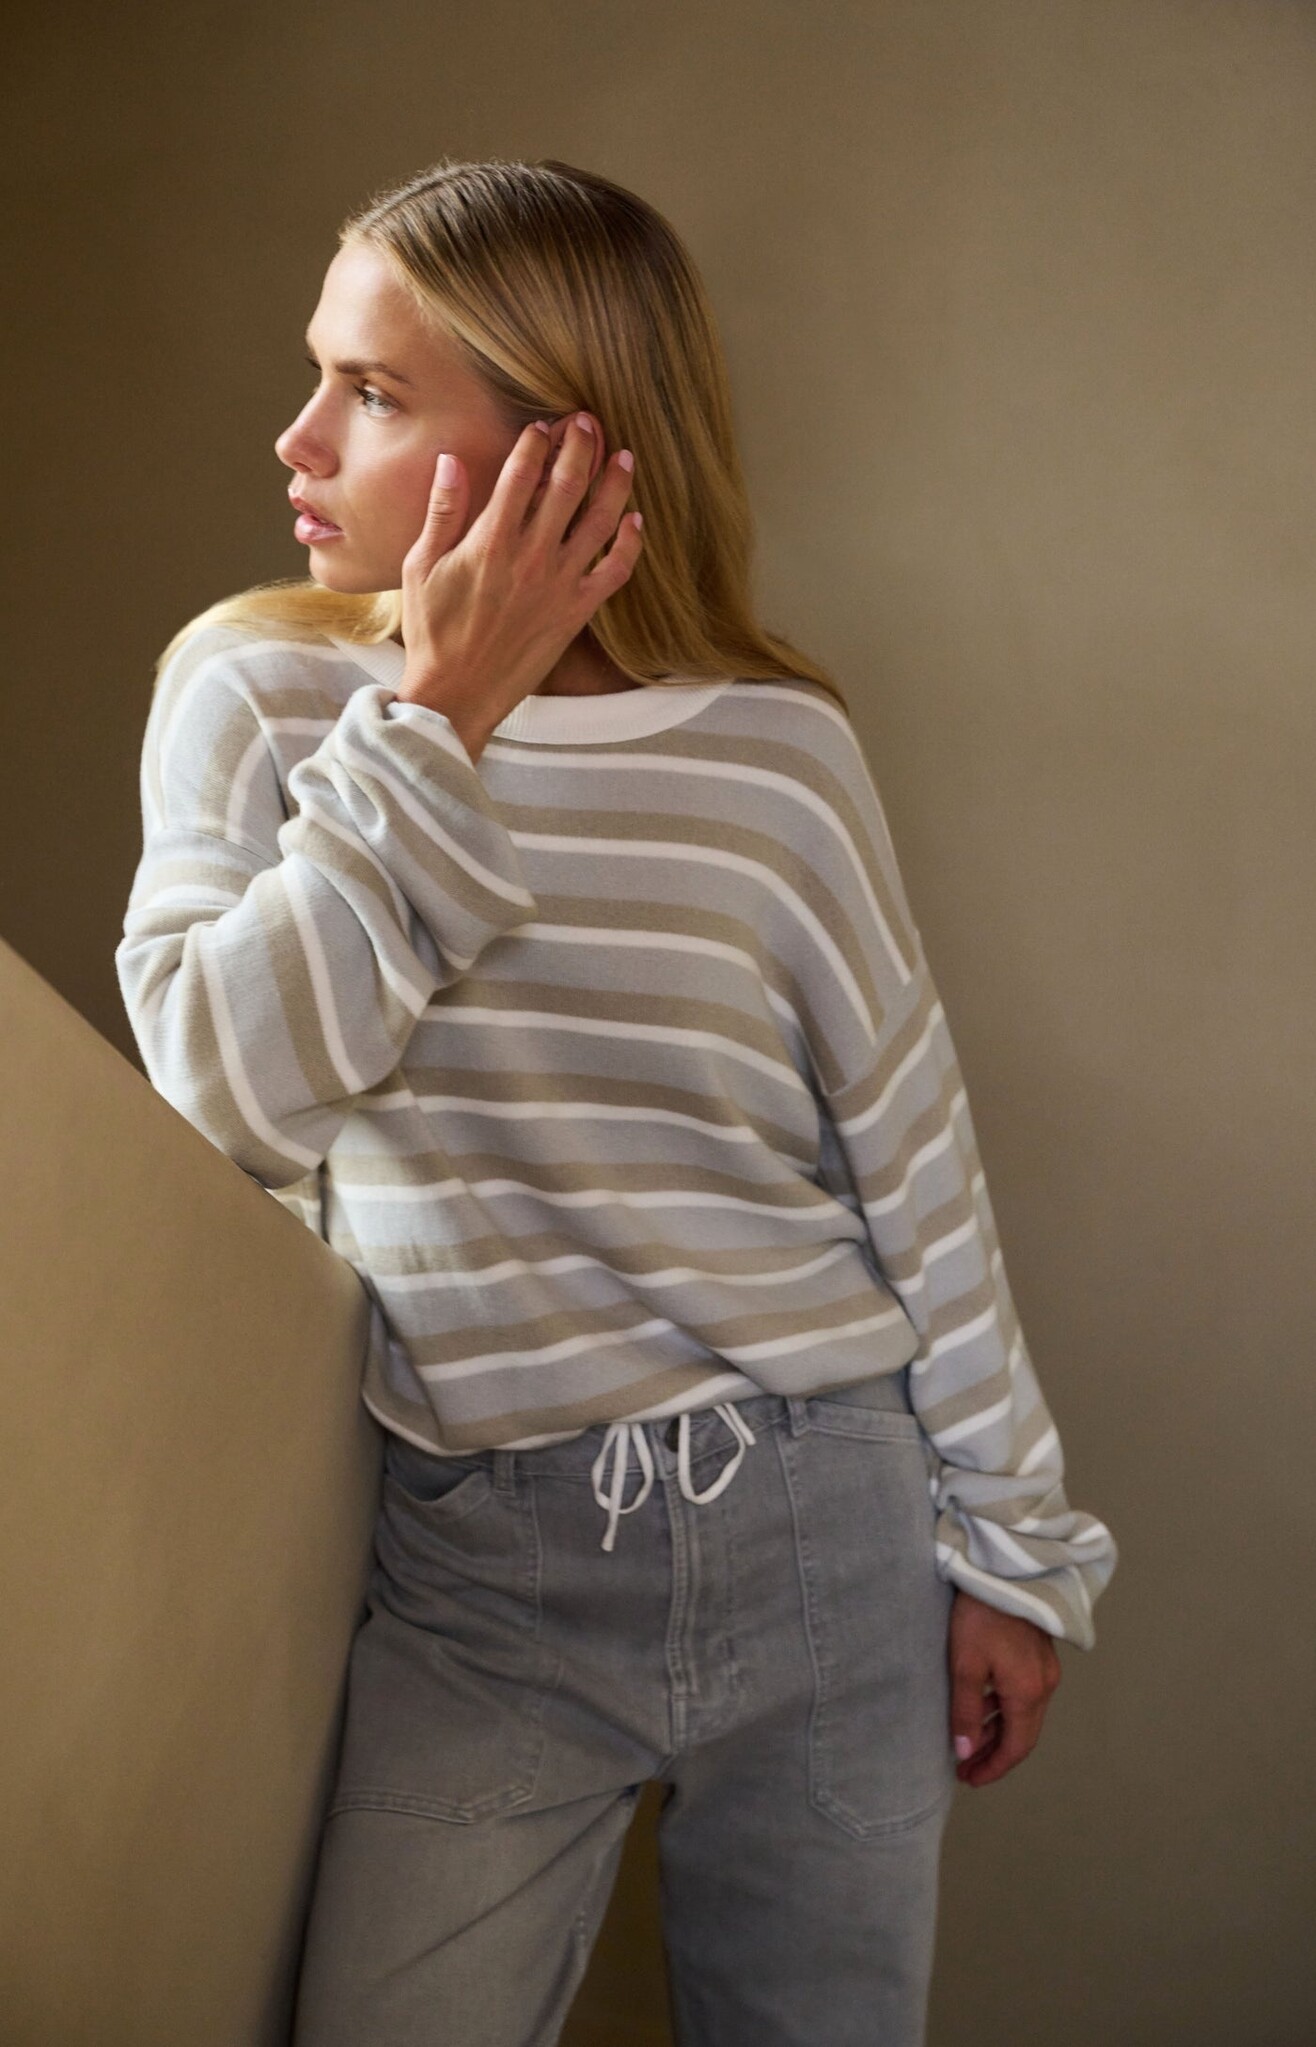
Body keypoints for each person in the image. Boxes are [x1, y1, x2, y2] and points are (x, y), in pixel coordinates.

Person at [115, 156, 1117, 2047]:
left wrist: (1016, 1553)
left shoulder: (781, 752)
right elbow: (222, 1104)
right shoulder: (256, 699)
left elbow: (914, 1163)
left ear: (564, 454)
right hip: (480, 1571)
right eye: (322, 376)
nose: (299, 437)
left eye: (373, 392)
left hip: (827, 1522)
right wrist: (434, 720)